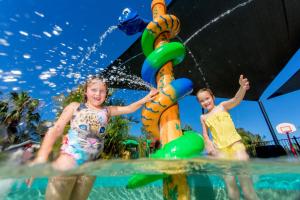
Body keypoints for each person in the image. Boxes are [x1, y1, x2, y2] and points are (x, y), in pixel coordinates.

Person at [26, 75, 158, 200]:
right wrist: (41, 157)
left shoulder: (107, 111)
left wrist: (146, 98)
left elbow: (129, 108)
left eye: (102, 91)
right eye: (93, 90)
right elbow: (57, 128)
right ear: (86, 91)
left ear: (106, 93)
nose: (97, 94)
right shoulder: (75, 107)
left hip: (91, 166)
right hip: (69, 160)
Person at [196, 75, 258, 200]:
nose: (205, 102)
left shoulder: (223, 106)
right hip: (221, 151)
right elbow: (205, 134)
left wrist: (242, 88)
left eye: (207, 98)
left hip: (236, 145)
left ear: (213, 97)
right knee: (230, 182)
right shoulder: (203, 117)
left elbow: (236, 99)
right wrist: (208, 145)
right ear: (200, 103)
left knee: (244, 177)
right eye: (202, 101)